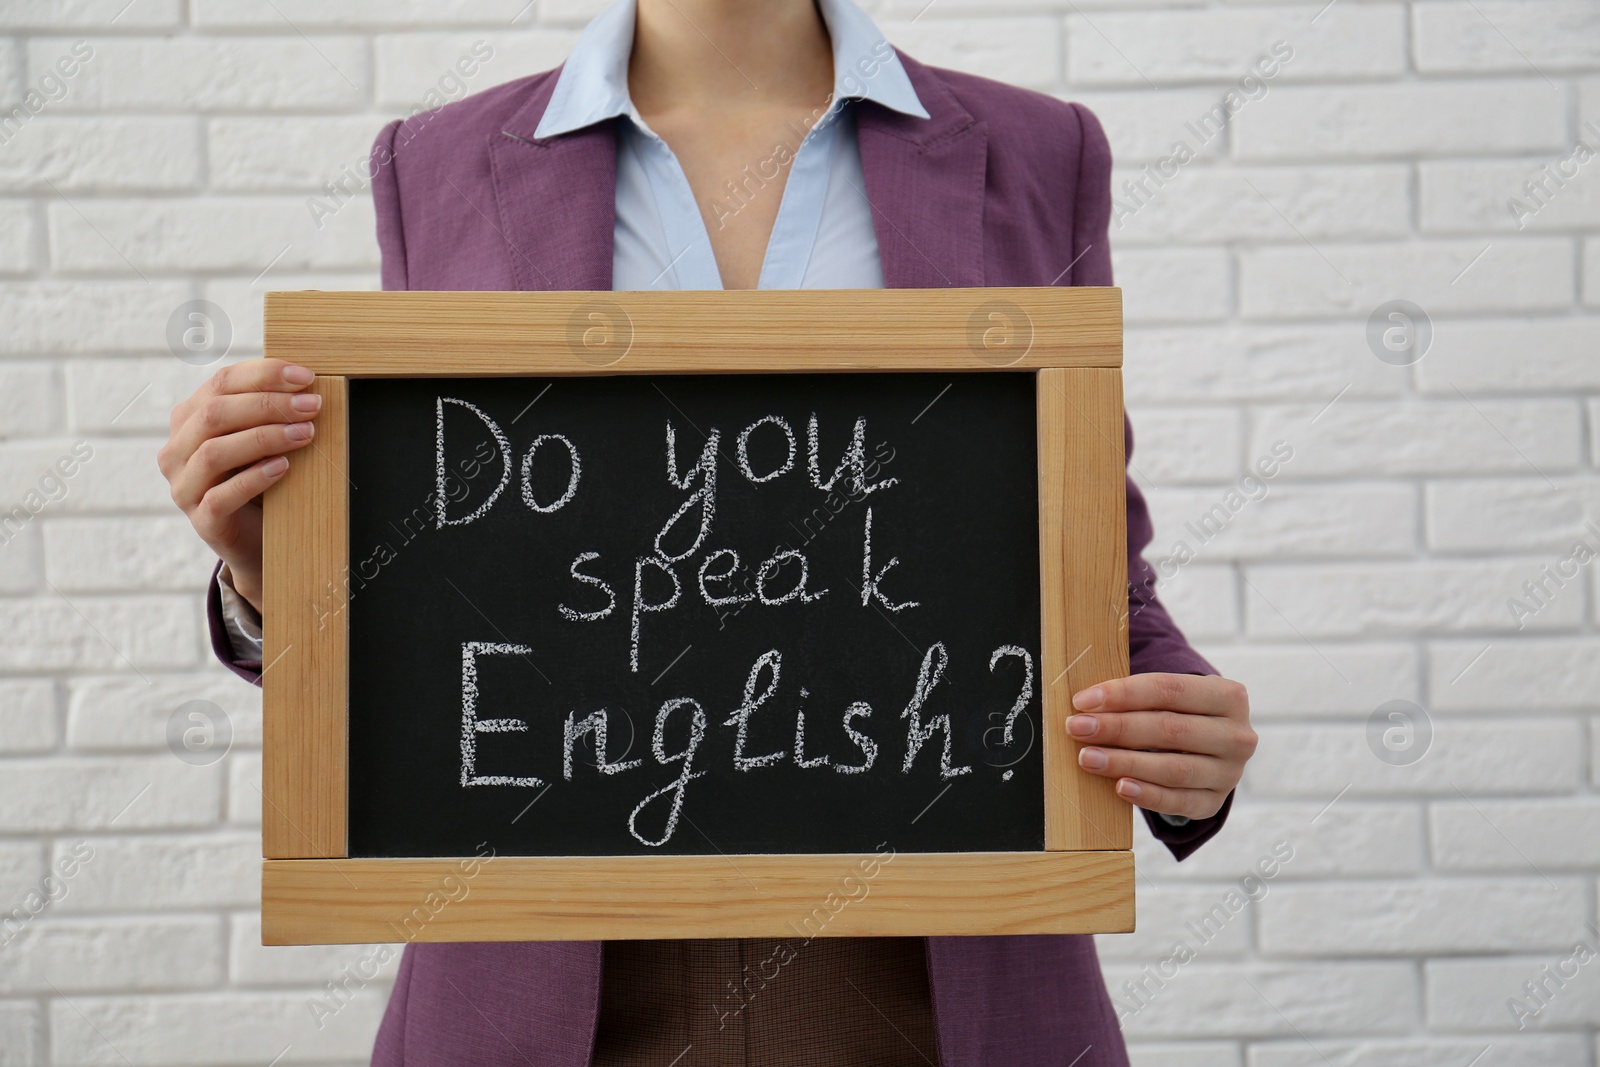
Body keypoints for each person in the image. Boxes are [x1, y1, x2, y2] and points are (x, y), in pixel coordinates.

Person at [156, 0, 1258, 1063]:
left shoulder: (1035, 149)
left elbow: (1080, 560)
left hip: (931, 979)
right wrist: (270, 569)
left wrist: (1181, 735)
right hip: (545, 990)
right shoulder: (435, 162)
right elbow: (444, 590)